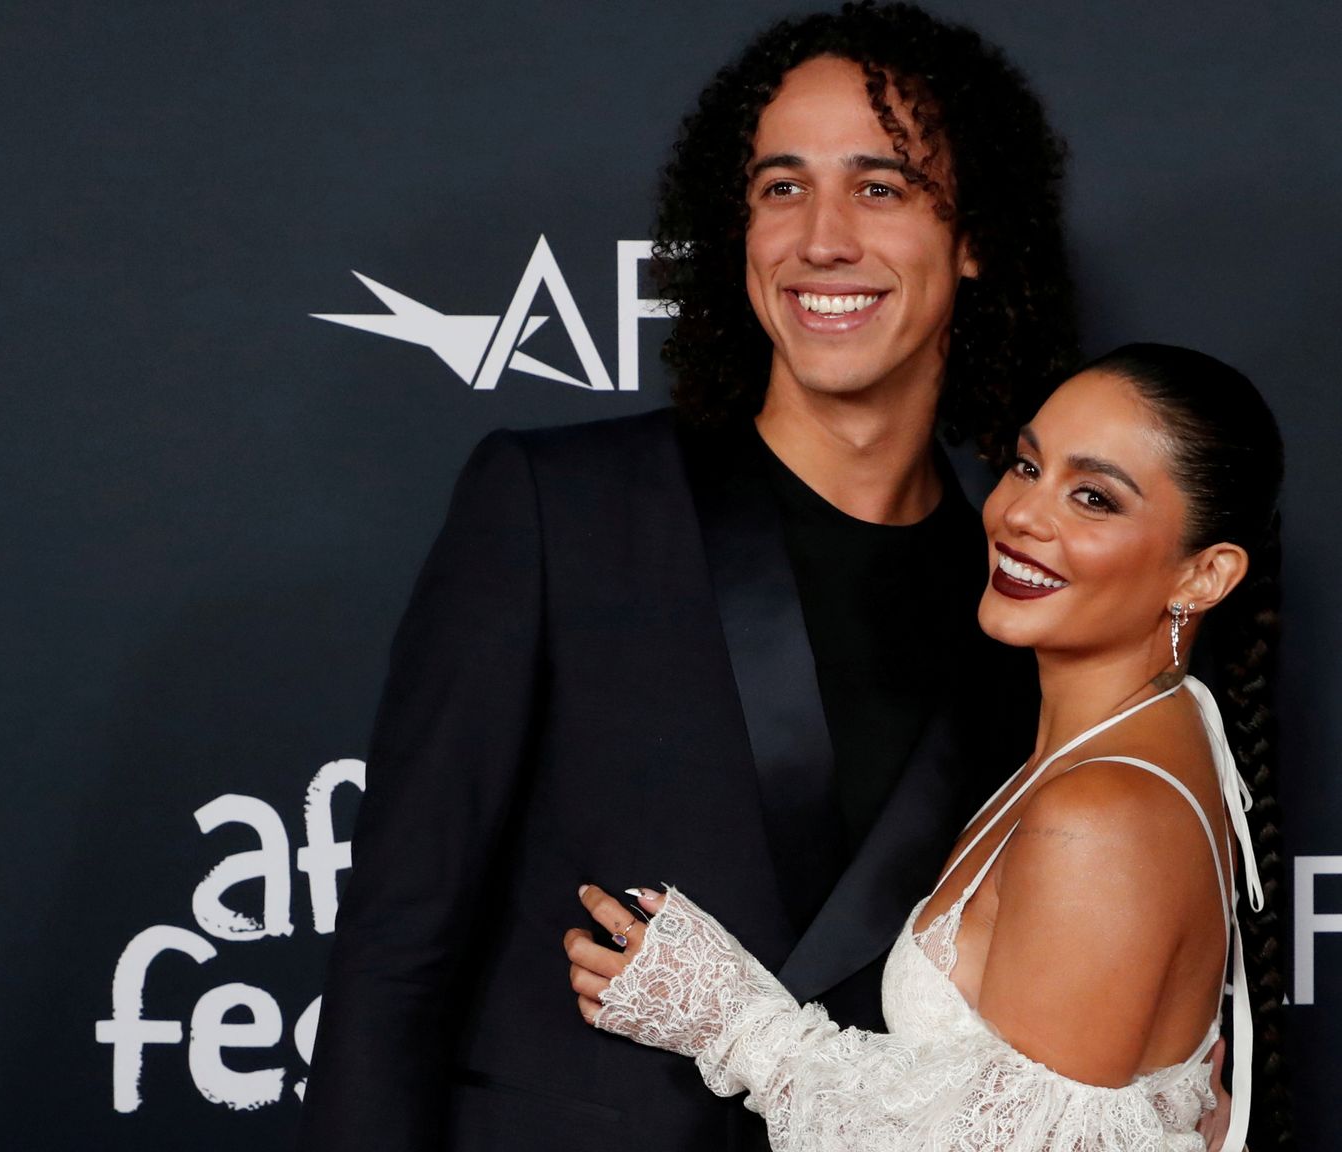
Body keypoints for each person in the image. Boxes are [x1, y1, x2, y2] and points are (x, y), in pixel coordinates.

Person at [300, 5, 1100, 1151]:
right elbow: (392, 953)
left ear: (973, 236)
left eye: (880, 186)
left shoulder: (1023, 608)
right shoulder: (555, 507)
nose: (820, 237)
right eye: (781, 188)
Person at [567, 344, 1288, 1152]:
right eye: (1025, 466)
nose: (1021, 514)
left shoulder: (1102, 812)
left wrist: (738, 1027)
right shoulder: (1150, 732)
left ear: (1204, 575)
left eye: (1092, 497)